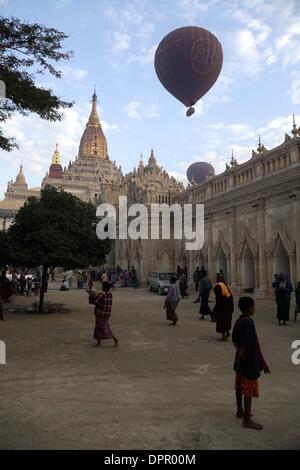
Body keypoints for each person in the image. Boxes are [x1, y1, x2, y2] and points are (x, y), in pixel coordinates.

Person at [232, 296, 270, 430]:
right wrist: (245, 357)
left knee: (239, 386)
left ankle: (240, 411)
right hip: (247, 360)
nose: (255, 308)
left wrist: (238, 357)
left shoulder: (239, 320)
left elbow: (234, 339)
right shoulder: (248, 323)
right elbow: (248, 344)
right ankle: (247, 419)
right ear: (250, 309)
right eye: (254, 306)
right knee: (248, 389)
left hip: (240, 359)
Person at [91, 282, 118, 348]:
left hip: (100, 313)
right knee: (106, 327)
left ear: (104, 287)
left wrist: (92, 296)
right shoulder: (110, 294)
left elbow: (96, 302)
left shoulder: (102, 295)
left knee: (99, 328)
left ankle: (99, 343)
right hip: (106, 314)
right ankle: (114, 339)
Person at [213, 274, 234, 340]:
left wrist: (216, 308)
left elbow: (219, 299)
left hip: (222, 308)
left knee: (222, 321)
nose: (216, 280)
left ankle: (223, 337)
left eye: (217, 278)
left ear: (219, 279)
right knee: (227, 320)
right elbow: (229, 297)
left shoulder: (218, 286)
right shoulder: (225, 286)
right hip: (228, 307)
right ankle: (227, 332)